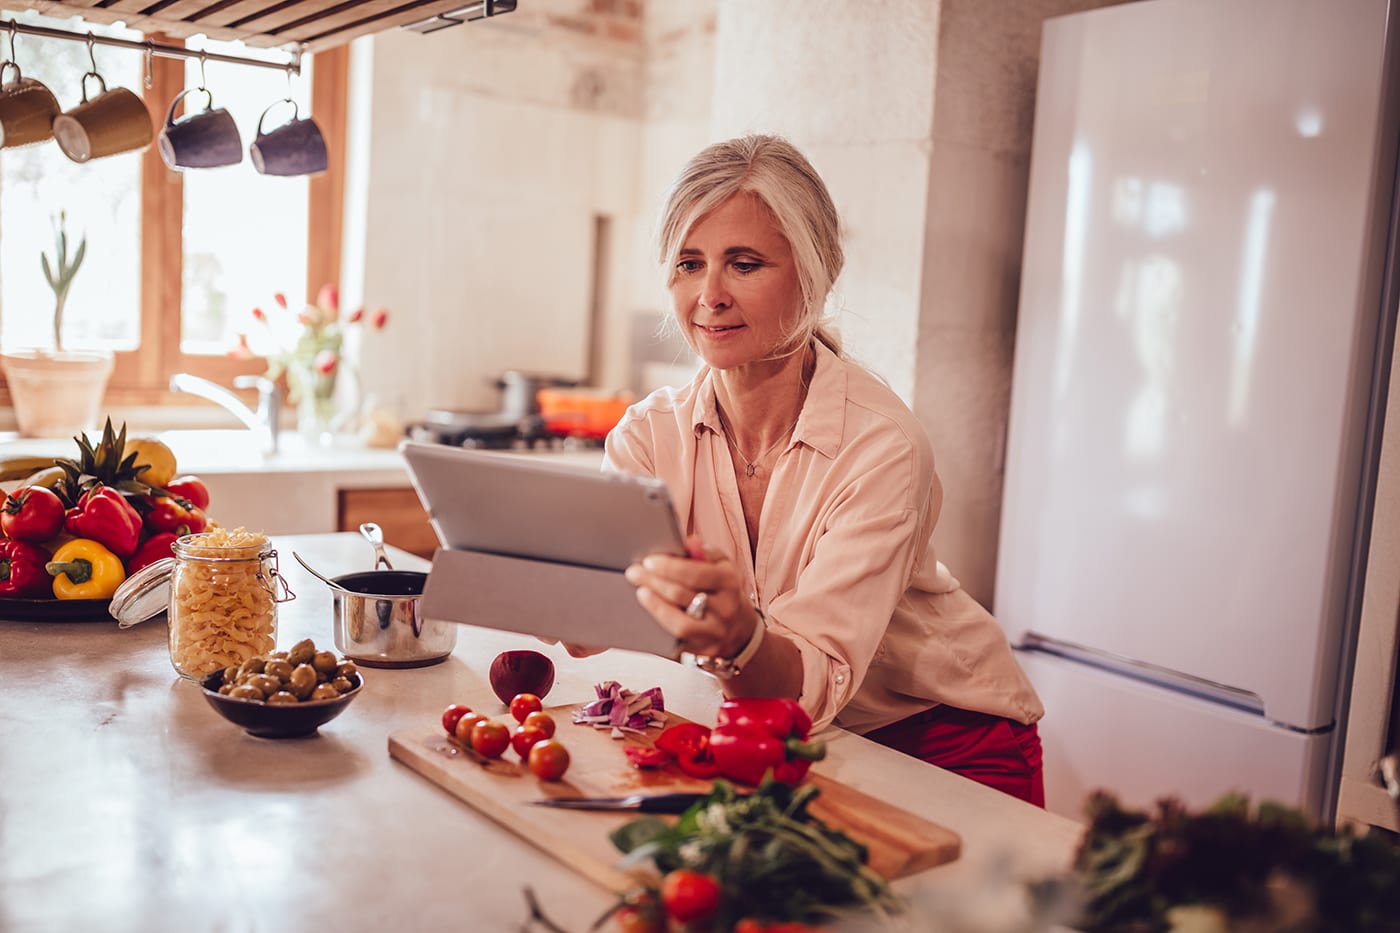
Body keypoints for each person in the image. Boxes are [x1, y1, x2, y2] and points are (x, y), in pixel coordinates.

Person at [600, 134, 1046, 806]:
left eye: (744, 264)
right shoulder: (646, 437)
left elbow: (812, 679)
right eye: (689, 262)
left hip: (945, 742)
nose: (709, 294)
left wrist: (739, 640)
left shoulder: (883, 445)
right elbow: (606, 612)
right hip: (785, 732)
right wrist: (569, 597)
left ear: (816, 274)